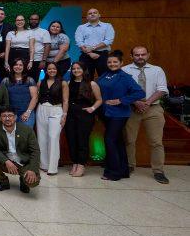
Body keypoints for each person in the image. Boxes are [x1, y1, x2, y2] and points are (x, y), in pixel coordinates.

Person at [123, 46, 169, 184]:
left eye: (143, 54)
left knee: (156, 142)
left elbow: (162, 89)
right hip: (131, 108)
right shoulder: (124, 70)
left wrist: (147, 103)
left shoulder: (157, 70)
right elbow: (122, 90)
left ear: (148, 55)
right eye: (137, 55)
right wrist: (136, 102)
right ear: (131, 56)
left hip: (153, 109)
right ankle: (129, 166)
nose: (140, 57)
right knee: (129, 140)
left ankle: (158, 171)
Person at [97, 50, 145, 181]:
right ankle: (123, 170)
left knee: (109, 140)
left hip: (119, 114)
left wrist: (121, 100)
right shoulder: (105, 75)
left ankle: (113, 173)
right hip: (106, 113)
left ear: (121, 63)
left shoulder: (124, 77)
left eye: (115, 62)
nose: (112, 64)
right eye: (109, 62)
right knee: (117, 141)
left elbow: (140, 93)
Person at [0, 107, 41, 194]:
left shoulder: (27, 130)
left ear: (15, 117)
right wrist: (6, 161)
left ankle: (23, 180)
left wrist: (32, 169)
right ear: (0, 118)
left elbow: (35, 151)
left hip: (24, 162)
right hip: (7, 161)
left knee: (33, 182)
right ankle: (4, 182)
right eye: (4, 116)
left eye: (10, 116)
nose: (7, 118)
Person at [65, 61, 102, 177]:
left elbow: (99, 100)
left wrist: (92, 108)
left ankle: (81, 164)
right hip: (71, 114)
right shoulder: (68, 83)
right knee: (71, 139)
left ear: (84, 69)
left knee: (82, 140)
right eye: (74, 69)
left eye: (78, 68)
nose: (76, 70)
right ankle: (75, 163)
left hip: (85, 115)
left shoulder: (91, 83)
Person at [36, 62, 69, 175]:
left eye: (54, 69)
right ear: (46, 71)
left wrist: (64, 115)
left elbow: (65, 100)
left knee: (53, 138)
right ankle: (44, 165)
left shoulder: (63, 83)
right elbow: (37, 97)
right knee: (41, 138)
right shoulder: (41, 82)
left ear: (57, 70)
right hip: (41, 109)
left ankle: (52, 167)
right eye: (49, 69)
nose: (52, 71)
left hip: (56, 110)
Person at [75, 8, 115, 78]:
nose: (92, 14)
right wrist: (89, 53)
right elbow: (79, 42)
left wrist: (93, 48)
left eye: (95, 13)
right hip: (86, 55)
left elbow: (108, 40)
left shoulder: (107, 26)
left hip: (102, 55)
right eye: (90, 13)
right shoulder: (81, 27)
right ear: (87, 17)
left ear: (99, 15)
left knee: (105, 77)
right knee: (85, 78)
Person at [1, 59, 38, 127]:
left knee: (26, 132)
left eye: (21, 65)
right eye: (16, 65)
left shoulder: (29, 80)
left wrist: (27, 112)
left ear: (24, 67)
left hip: (27, 112)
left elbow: (34, 98)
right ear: (12, 66)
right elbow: (2, 98)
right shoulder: (6, 80)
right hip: (11, 114)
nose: (18, 67)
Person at [0, 8, 15, 81]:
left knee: (5, 79)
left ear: (4, 16)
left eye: (2, 14)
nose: (0, 15)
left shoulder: (10, 27)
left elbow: (13, 42)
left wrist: (5, 53)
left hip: (6, 57)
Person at [27, 14, 51, 81]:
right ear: (29, 20)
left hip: (38, 60)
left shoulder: (44, 32)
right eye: (32, 19)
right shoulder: (25, 31)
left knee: (37, 80)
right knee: (26, 80)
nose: (33, 21)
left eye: (35, 19)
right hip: (26, 59)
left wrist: (43, 60)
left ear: (39, 21)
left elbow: (47, 46)